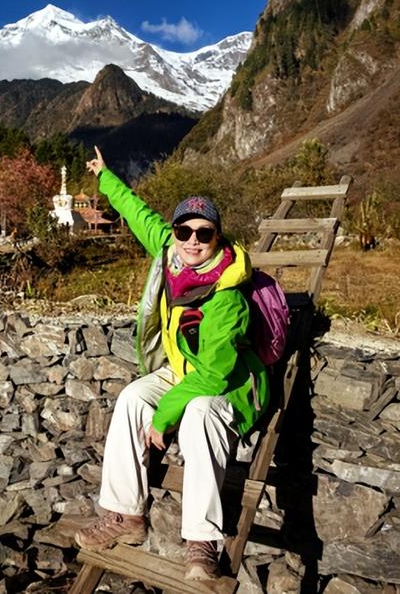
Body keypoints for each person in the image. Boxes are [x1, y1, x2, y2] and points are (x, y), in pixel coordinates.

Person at [75, 147, 269, 581]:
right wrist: (106, 176)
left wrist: (164, 418)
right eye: (185, 230)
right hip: (184, 372)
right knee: (130, 399)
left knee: (198, 413)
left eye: (204, 232)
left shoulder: (227, 295)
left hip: (230, 386)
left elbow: (214, 375)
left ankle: (202, 541)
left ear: (218, 237)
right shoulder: (169, 253)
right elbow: (137, 212)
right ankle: (126, 515)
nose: (193, 240)